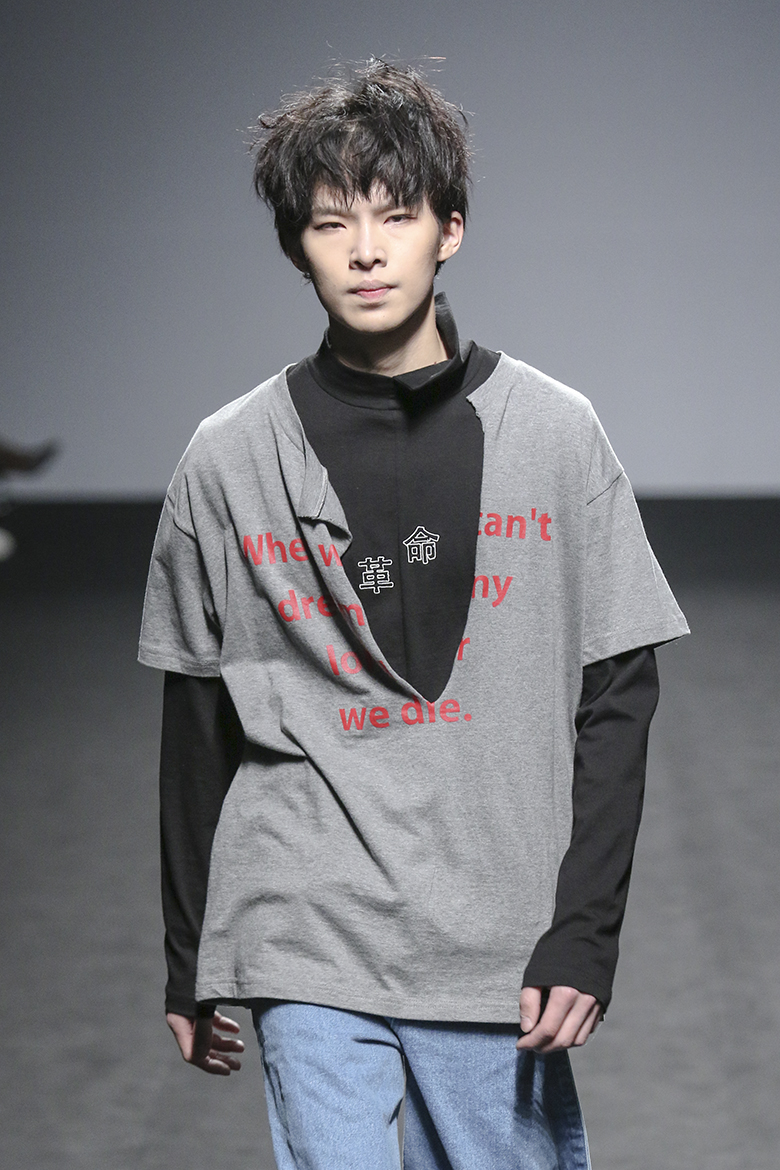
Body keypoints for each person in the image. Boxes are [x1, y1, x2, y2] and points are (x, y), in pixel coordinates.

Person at [139, 60, 688, 1169]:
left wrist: (584, 931)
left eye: (397, 216)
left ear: (451, 231)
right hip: (304, 921)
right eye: (330, 222)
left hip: (493, 935)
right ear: (295, 245)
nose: (366, 250)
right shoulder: (228, 457)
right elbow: (197, 716)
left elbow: (618, 692)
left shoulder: (554, 434)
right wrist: (192, 953)